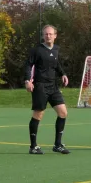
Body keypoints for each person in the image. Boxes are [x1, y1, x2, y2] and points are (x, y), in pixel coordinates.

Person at [24, 25, 70, 155]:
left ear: (55, 35)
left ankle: (58, 145)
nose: (48, 36)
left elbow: (56, 64)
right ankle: (33, 146)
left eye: (50, 34)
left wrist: (63, 74)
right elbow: (28, 65)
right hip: (40, 86)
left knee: (63, 113)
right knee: (38, 115)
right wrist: (27, 80)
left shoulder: (56, 49)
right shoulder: (37, 50)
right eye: (46, 34)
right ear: (43, 36)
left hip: (53, 86)